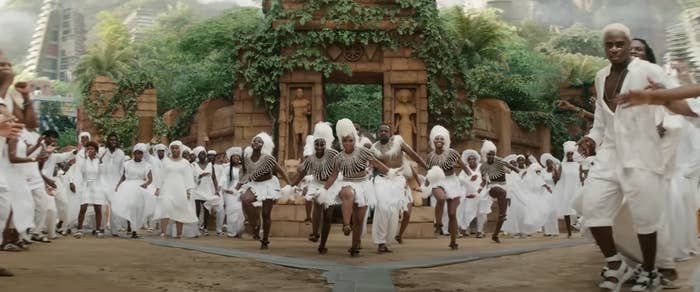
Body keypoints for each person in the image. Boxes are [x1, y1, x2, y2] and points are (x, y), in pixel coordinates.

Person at [576, 23, 675, 292]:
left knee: (644, 216)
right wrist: (591, 139)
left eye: (620, 44)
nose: (615, 49)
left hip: (641, 152)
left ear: (629, 44)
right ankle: (615, 263)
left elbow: (673, 98)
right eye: (610, 44)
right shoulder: (600, 76)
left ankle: (650, 272)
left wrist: (664, 123)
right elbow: (600, 122)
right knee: (592, 207)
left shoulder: (648, 70)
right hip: (609, 153)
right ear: (604, 47)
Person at [319, 118, 391, 257]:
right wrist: (324, 190)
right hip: (346, 182)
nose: (348, 143)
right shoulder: (338, 158)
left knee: (359, 219)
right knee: (348, 193)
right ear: (341, 141)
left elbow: (376, 164)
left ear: (354, 140)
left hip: (364, 184)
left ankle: (354, 246)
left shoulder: (363, 152)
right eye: (345, 141)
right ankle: (346, 225)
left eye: (350, 140)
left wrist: (391, 173)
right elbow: (333, 176)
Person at [370, 124, 427, 253]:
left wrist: (426, 166)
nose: (383, 133)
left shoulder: (398, 142)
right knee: (382, 208)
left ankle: (386, 241)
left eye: (386, 131)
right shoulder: (374, 149)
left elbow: (413, 154)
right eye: (381, 131)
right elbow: (371, 165)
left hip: (398, 180)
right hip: (382, 180)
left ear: (390, 133)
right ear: (378, 133)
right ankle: (380, 241)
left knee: (393, 210)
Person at [235, 132, 291, 249]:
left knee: (266, 214)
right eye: (255, 140)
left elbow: (280, 171)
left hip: (268, 185)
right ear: (252, 143)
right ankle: (255, 224)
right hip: (255, 184)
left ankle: (265, 240)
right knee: (245, 200)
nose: (257, 143)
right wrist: (239, 185)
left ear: (264, 145)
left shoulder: (268, 159)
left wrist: (290, 183)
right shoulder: (246, 158)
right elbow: (244, 172)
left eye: (260, 142)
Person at [291, 122, 338, 254]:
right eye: (316, 144)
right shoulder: (310, 159)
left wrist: (326, 188)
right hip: (316, 184)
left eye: (321, 144)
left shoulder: (333, 154)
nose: (319, 147)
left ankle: (323, 244)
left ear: (326, 144)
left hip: (331, 184)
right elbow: (301, 174)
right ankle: (315, 233)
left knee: (328, 216)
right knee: (317, 204)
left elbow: (335, 174)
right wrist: (290, 186)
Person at [422, 125, 470, 250]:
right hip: (437, 182)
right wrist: (424, 186)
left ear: (446, 140)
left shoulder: (452, 153)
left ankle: (453, 241)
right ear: (433, 140)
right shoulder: (430, 156)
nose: (439, 140)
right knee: (441, 198)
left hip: (452, 182)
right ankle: (438, 223)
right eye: (437, 138)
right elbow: (429, 173)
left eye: (442, 138)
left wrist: (472, 176)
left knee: (452, 214)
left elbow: (464, 167)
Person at [153, 141, 198, 238]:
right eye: (172, 148)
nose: (174, 150)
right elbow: (161, 175)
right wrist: (158, 188)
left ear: (180, 149)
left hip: (180, 188)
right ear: (170, 149)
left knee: (180, 209)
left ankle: (179, 233)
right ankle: (163, 232)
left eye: (176, 148)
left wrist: (188, 191)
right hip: (167, 188)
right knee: (165, 207)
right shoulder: (165, 161)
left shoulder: (185, 162)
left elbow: (188, 177)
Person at [477, 140, 519, 243]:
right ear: (485, 155)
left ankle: (495, 235)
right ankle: (502, 215)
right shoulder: (483, 167)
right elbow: (484, 181)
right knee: (501, 192)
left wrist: (519, 171)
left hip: (504, 186)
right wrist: (478, 190)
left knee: (502, 214)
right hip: (491, 188)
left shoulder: (500, 162)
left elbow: (512, 168)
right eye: (489, 154)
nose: (491, 156)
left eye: (493, 154)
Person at [112, 143, 153, 238]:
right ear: (134, 153)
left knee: (138, 207)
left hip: (140, 187)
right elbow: (123, 177)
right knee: (130, 206)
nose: (139, 155)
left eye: (141, 153)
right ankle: (131, 227)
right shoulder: (126, 164)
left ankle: (135, 228)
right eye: (137, 153)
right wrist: (118, 186)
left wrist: (145, 184)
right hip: (128, 186)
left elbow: (150, 179)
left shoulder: (147, 165)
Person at [74, 141, 107, 238]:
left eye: (92, 149)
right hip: (86, 185)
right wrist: (84, 159)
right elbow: (82, 171)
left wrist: (100, 162)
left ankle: (97, 229)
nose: (89, 150)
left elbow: (102, 173)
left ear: (96, 151)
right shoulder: (83, 160)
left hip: (97, 185)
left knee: (98, 208)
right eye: (88, 149)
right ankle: (79, 229)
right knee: (83, 207)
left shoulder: (98, 161)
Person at [552, 141, 582, 238]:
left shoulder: (578, 165)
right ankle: (569, 232)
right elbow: (558, 178)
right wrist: (554, 171)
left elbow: (581, 178)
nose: (569, 155)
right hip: (566, 190)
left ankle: (582, 229)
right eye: (568, 153)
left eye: (571, 153)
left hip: (576, 189)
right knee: (567, 211)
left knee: (579, 209)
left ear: (573, 154)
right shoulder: (562, 165)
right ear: (565, 154)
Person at [458, 149, 489, 238]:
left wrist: (478, 192)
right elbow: (460, 180)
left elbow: (485, 180)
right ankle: (464, 229)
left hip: (481, 193)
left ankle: (480, 231)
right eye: (469, 159)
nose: (471, 160)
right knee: (467, 211)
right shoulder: (465, 169)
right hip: (469, 194)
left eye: (473, 159)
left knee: (481, 213)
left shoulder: (481, 167)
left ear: (476, 159)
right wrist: (469, 179)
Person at [191, 146, 219, 236]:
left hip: (208, 188)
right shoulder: (194, 165)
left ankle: (205, 228)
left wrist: (216, 189)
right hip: (197, 189)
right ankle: (195, 227)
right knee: (197, 209)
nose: (203, 155)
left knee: (207, 209)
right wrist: (200, 176)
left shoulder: (210, 165)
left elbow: (214, 178)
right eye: (201, 153)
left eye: (204, 153)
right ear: (197, 155)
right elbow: (191, 178)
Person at [221, 147, 245, 238]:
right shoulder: (227, 169)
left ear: (239, 158)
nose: (235, 158)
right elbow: (223, 179)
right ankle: (231, 232)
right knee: (231, 211)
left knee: (240, 211)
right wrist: (225, 189)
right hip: (230, 192)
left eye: (237, 156)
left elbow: (246, 180)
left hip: (241, 191)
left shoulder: (243, 168)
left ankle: (239, 231)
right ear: (231, 158)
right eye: (233, 157)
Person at [539, 153, 560, 236]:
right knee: (546, 211)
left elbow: (557, 182)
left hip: (554, 192)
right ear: (546, 164)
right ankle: (547, 232)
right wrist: (546, 187)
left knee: (553, 211)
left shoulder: (555, 170)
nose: (549, 164)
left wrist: (554, 172)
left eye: (551, 162)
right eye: (548, 163)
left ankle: (554, 231)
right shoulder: (543, 171)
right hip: (545, 192)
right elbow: (540, 181)